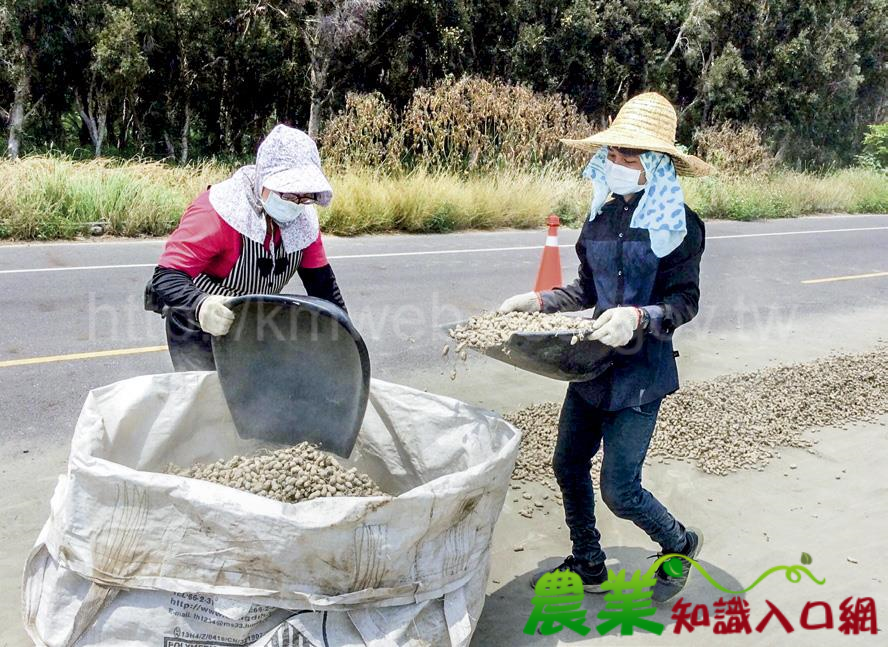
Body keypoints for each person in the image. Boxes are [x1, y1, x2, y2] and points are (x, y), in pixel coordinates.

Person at [499, 92, 714, 602]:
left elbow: (685, 302)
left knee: (620, 490)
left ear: (658, 163)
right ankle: (589, 562)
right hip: (591, 365)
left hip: (641, 373)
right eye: (613, 153)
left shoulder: (679, 226)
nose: (617, 163)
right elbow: (586, 291)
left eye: (630, 155)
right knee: (567, 464)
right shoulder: (600, 217)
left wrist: (640, 316)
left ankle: (679, 543)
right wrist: (540, 302)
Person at [145, 124, 347, 371]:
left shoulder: (303, 220)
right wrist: (200, 305)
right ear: (264, 179)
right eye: (288, 194)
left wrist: (345, 340)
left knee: (252, 397)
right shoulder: (217, 212)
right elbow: (165, 277)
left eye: (305, 197)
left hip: (251, 323)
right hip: (197, 323)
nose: (297, 203)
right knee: (205, 399)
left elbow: (323, 287)